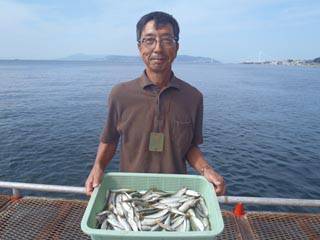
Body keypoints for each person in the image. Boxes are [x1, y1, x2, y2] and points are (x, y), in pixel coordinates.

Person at [85, 11, 226, 196]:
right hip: (130, 194)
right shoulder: (120, 94)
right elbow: (110, 139)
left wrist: (206, 170)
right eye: (149, 40)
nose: (158, 49)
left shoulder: (193, 97)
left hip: (175, 195)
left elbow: (190, 146)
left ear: (176, 47)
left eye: (167, 40)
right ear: (139, 47)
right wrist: (98, 167)